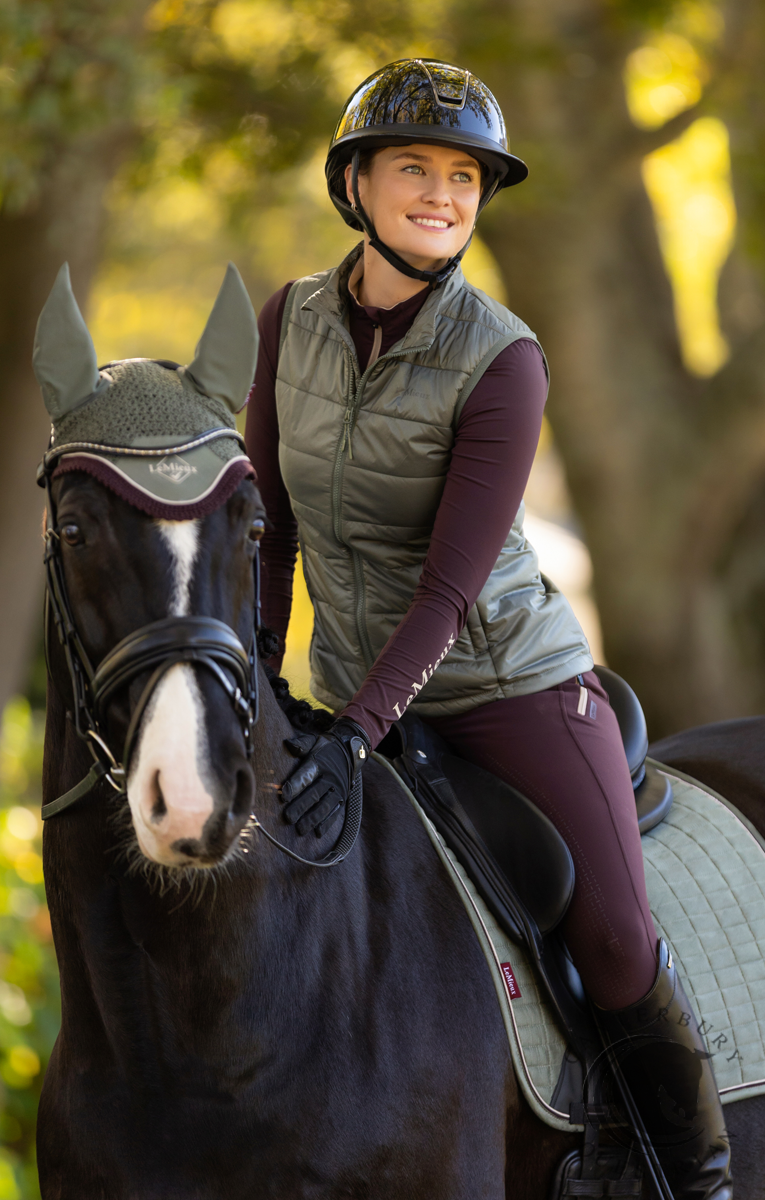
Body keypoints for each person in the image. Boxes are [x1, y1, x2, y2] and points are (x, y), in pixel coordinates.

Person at [245, 58, 731, 1198]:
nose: (442, 195)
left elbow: (448, 590)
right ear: (355, 184)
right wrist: (262, 686)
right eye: (414, 167)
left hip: (508, 690)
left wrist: (354, 734)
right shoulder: (288, 321)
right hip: (350, 693)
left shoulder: (503, 357)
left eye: (464, 177)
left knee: (613, 935)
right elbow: (271, 533)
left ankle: (696, 1174)